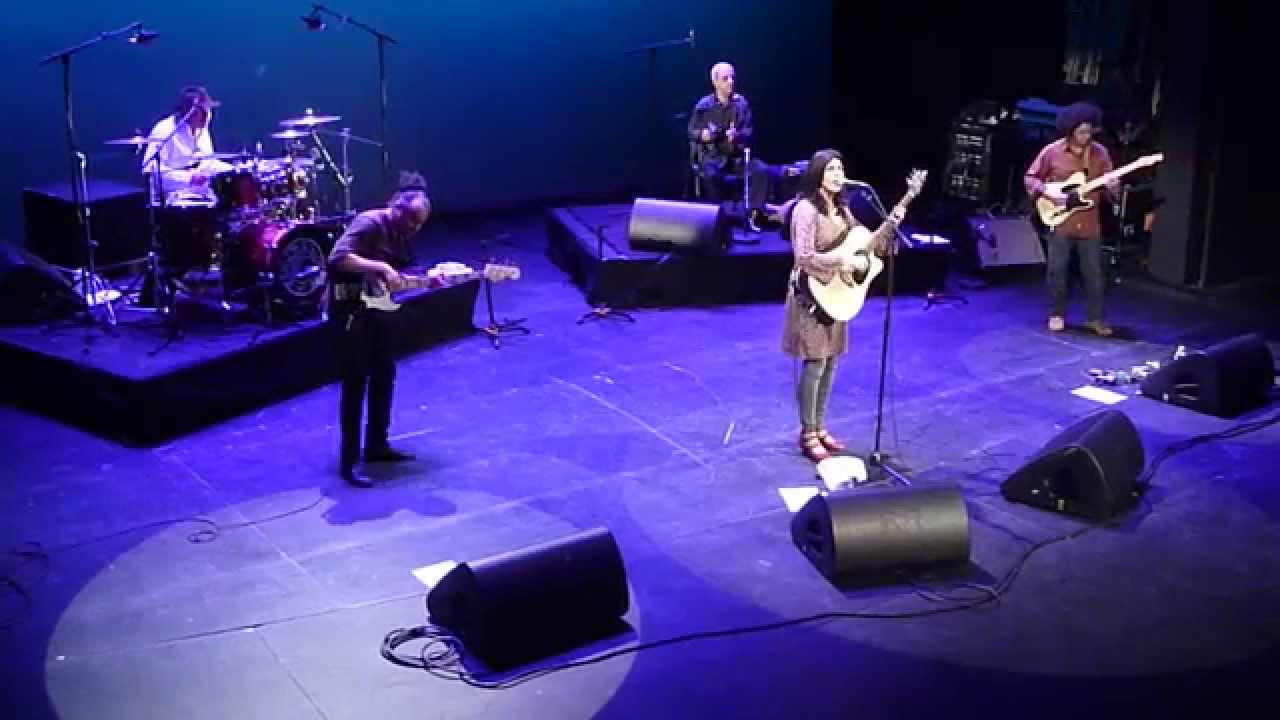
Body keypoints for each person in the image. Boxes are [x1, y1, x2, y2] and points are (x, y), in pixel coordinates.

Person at [780, 149, 905, 463]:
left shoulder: (843, 209)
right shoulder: (805, 210)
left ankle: (820, 426)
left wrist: (890, 225)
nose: (837, 174)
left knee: (832, 361)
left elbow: (865, 245)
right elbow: (804, 257)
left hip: (837, 294)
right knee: (815, 363)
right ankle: (807, 432)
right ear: (818, 173)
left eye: (840, 169)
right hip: (811, 295)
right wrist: (841, 260)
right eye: (831, 169)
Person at [326, 172, 438, 487]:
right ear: (397, 209)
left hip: (375, 309)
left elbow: (397, 276)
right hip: (348, 311)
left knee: (384, 374)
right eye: (412, 222)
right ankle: (349, 463)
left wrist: (426, 279)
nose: (414, 230)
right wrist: (379, 267)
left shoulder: (401, 233)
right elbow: (337, 259)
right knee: (354, 386)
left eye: (420, 225)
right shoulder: (370, 223)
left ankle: (376, 444)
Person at [1024, 101, 1118, 336]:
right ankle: (1056, 314)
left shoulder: (1100, 154)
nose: (1086, 136)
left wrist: (1113, 186)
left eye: (1089, 131)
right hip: (1061, 221)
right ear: (1070, 131)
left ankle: (1094, 319)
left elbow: (1110, 192)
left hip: (1089, 224)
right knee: (1057, 269)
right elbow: (1031, 177)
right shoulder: (1052, 151)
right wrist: (1047, 191)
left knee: (1094, 273)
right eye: (1081, 132)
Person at [687, 62, 774, 230]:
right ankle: (717, 218)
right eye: (725, 78)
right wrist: (702, 135)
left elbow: (750, 132)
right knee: (710, 172)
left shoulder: (741, 104)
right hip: (714, 157)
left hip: (737, 159)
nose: (730, 82)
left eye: (732, 77)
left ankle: (755, 214)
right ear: (715, 82)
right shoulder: (704, 106)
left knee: (761, 169)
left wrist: (738, 136)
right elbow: (691, 131)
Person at [140, 86, 233, 203]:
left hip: (202, 192)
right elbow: (151, 172)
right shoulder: (165, 130)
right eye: (202, 110)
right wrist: (188, 178)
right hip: (173, 196)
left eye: (208, 109)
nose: (207, 114)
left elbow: (208, 163)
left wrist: (234, 171)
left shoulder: (202, 129)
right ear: (188, 112)